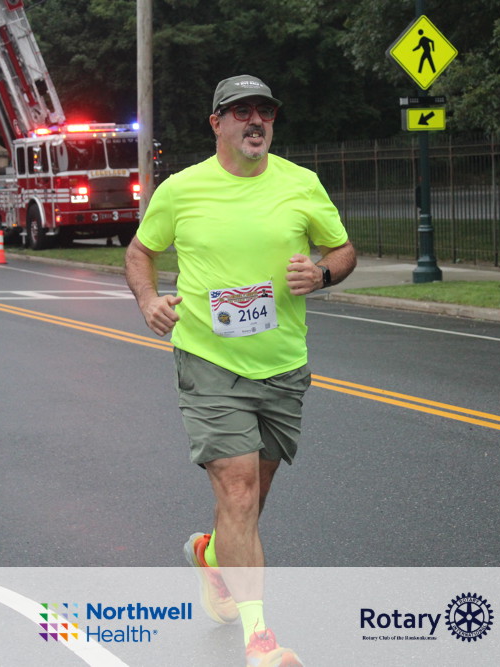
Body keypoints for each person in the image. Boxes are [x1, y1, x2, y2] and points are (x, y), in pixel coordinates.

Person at [125, 75, 356, 666]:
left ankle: (211, 556)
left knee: (252, 501)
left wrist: (323, 274)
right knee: (238, 488)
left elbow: (342, 250)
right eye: (241, 111)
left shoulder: (301, 183)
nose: (256, 121)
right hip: (209, 361)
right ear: (217, 123)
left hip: (282, 365)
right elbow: (141, 251)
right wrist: (148, 299)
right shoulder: (182, 189)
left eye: (265, 111)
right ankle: (260, 640)